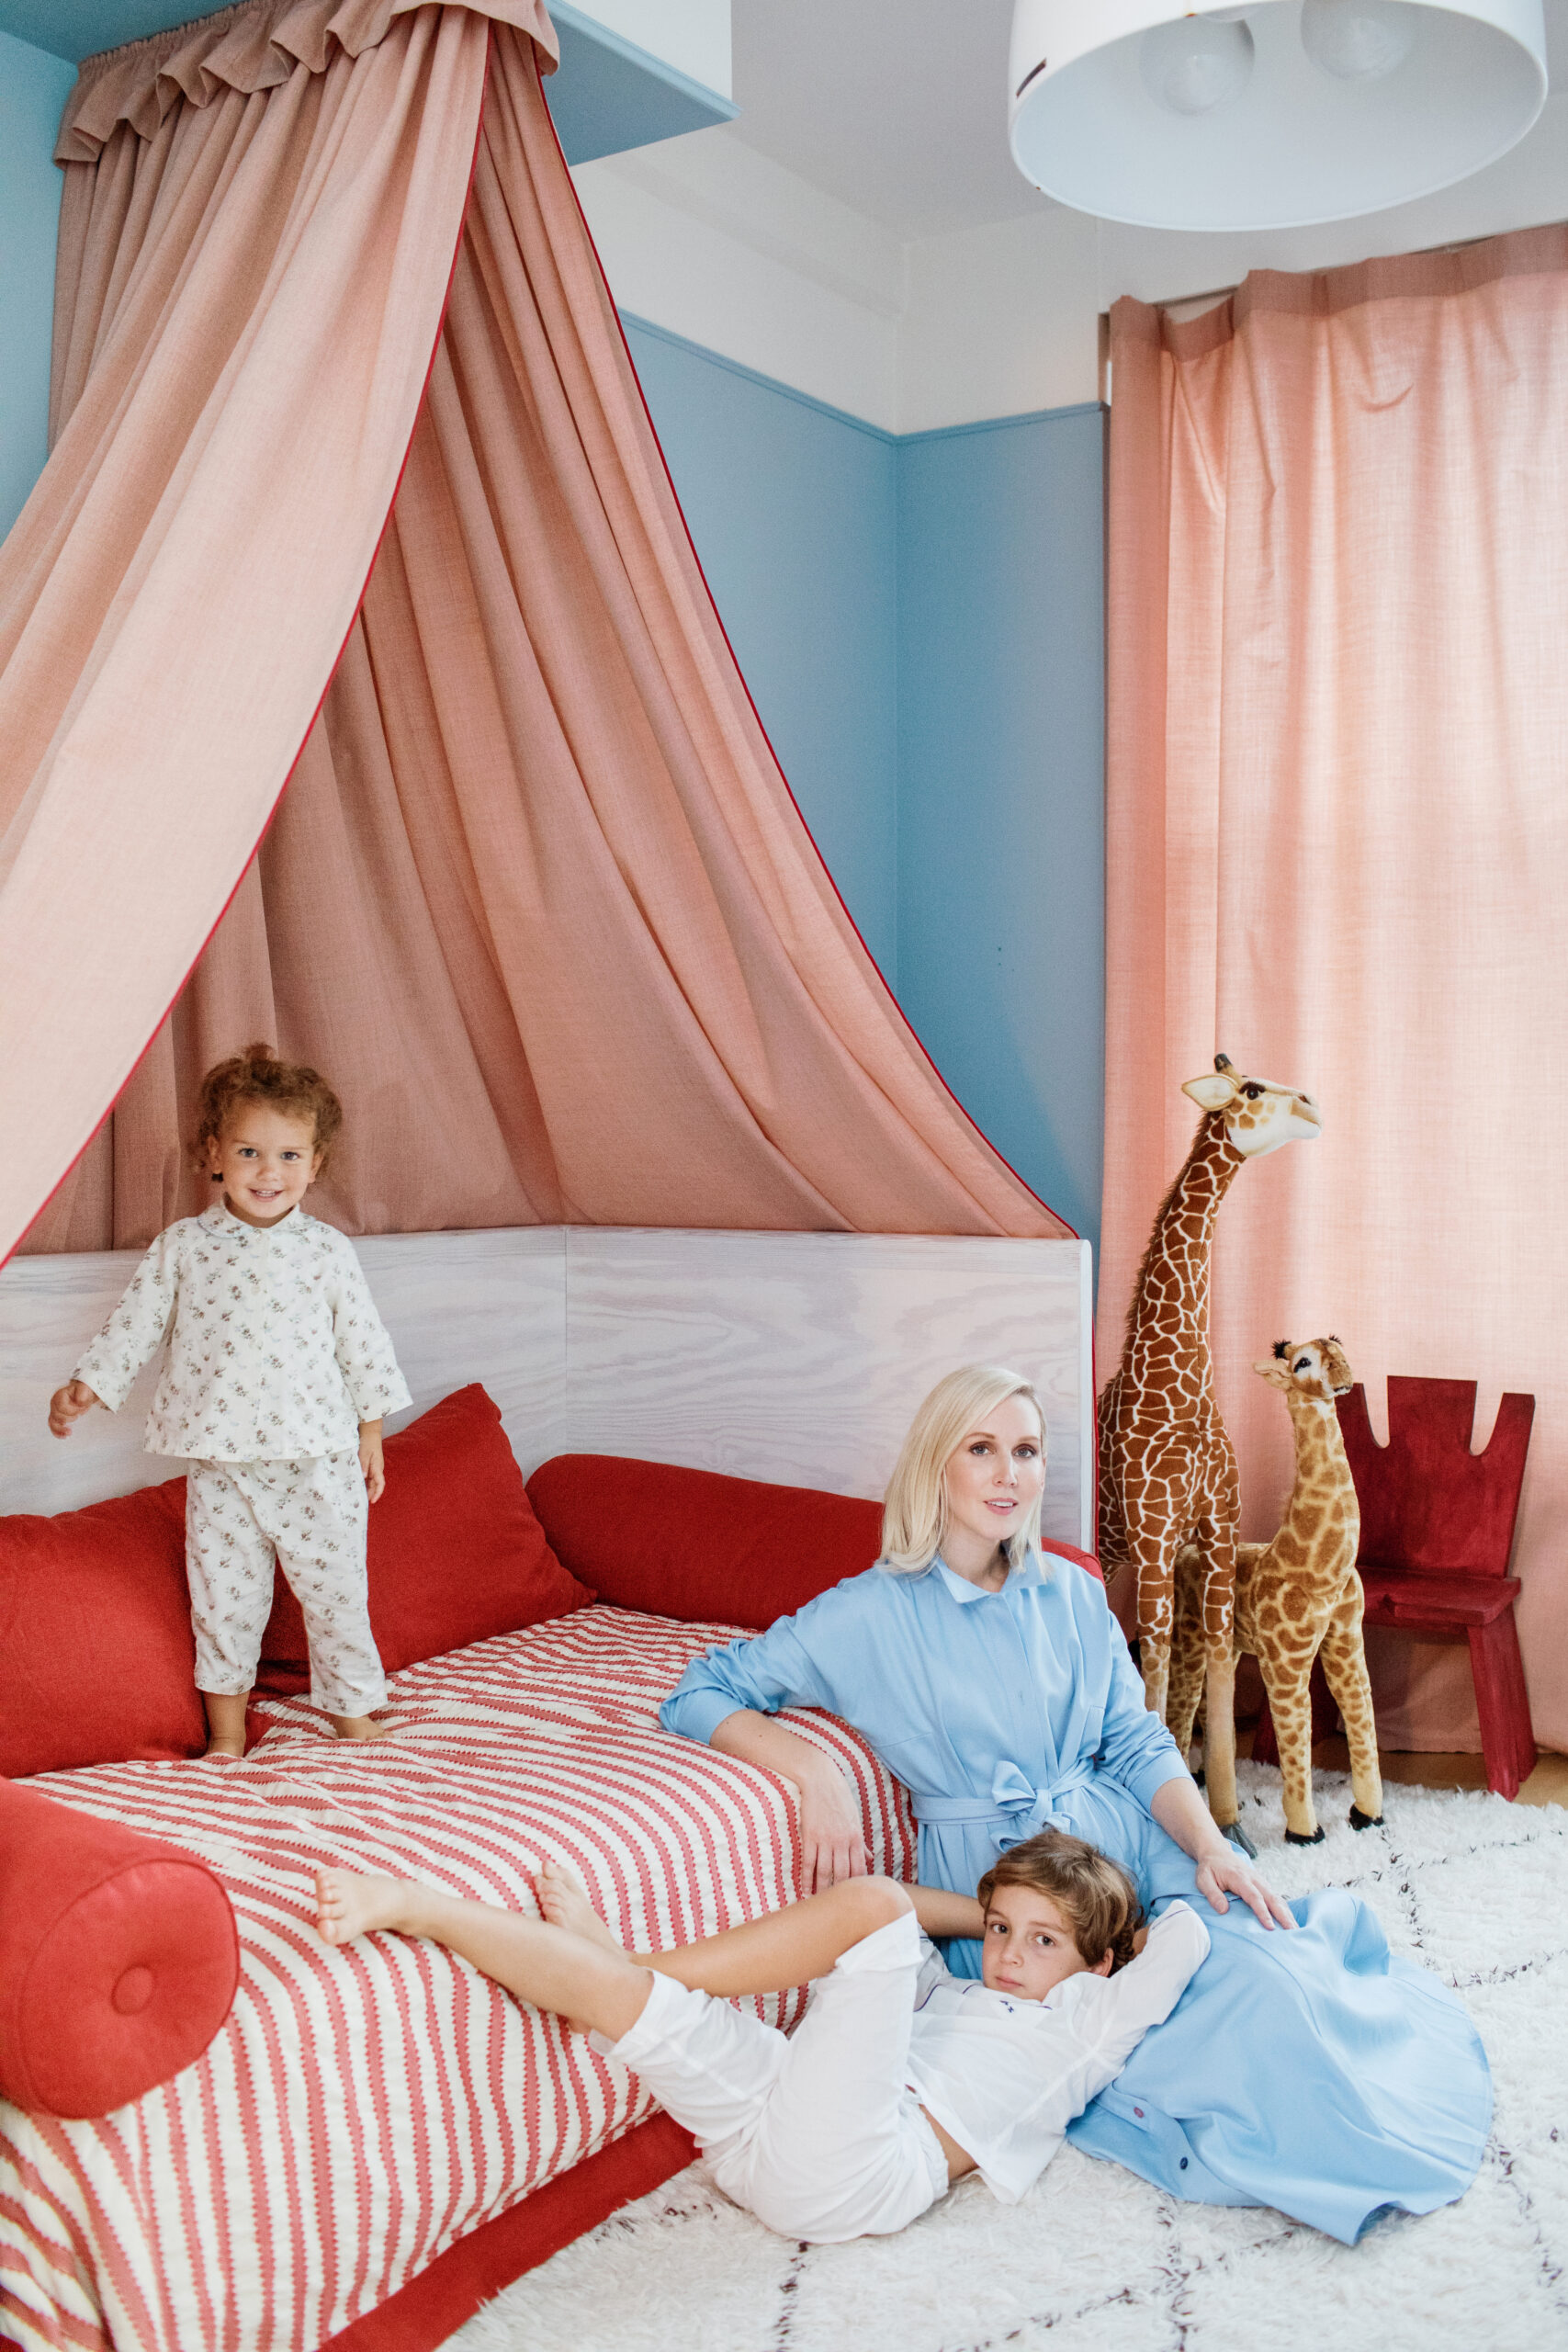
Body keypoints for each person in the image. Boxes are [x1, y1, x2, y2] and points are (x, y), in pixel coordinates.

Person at [658, 1363, 1494, 2245]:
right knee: (1193, 2033)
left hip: (1122, 1840)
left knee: (1275, 1972)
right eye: (981, 1449)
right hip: (1013, 1884)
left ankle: (1372, 2110)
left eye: (1025, 1451)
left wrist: (1210, 1846)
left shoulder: (1068, 1589)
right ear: (934, 1464)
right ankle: (1330, 2147)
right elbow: (700, 1690)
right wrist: (810, 1770)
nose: (1007, 1474)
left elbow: (1133, 1738)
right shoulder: (863, 1614)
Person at [313, 1828, 1209, 2245]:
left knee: (871, 1908)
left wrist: (1146, 1903)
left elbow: (1187, 1935)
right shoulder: (954, 1992)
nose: (1008, 1952)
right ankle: (421, 1906)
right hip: (773, 2133)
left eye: (1043, 1941)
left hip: (862, 2170)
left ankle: (638, 1961)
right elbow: (884, 1934)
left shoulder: (1088, 2024)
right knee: (620, 2002)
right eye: (1001, 1928)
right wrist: (985, 1918)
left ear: (1098, 1962)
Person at [47, 1043, 411, 1758]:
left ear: (315, 1162)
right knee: (222, 1597)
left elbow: (361, 1342)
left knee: (337, 1590)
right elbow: (137, 1323)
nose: (268, 1173)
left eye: (288, 1156)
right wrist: (90, 1384)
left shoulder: (327, 1251)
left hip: (317, 1455)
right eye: (249, 1152)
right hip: (220, 1460)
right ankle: (226, 1734)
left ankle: (352, 1711)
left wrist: (370, 1429)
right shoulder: (184, 1246)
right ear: (214, 1153)